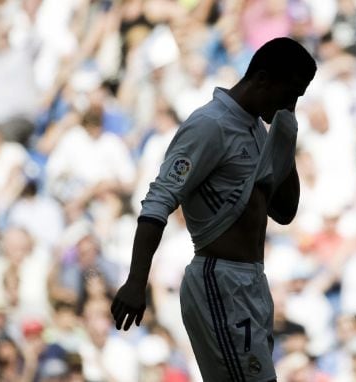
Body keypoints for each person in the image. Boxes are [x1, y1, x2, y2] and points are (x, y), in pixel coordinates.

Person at [111, 37, 317, 382]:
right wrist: (136, 281)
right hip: (219, 280)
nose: (291, 102)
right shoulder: (210, 125)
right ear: (263, 79)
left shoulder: (257, 129)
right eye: (291, 92)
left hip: (252, 281)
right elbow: (159, 199)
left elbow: (283, 210)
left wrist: (285, 134)